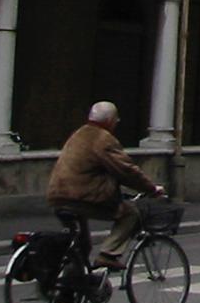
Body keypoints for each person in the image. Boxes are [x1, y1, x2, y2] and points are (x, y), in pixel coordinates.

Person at [46, 101, 166, 271]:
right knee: (131, 213)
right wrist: (152, 189)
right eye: (116, 119)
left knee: (82, 245)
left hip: (58, 196)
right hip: (83, 198)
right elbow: (126, 171)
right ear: (109, 120)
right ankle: (108, 255)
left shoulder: (78, 134)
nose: (117, 122)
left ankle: (68, 289)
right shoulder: (103, 139)